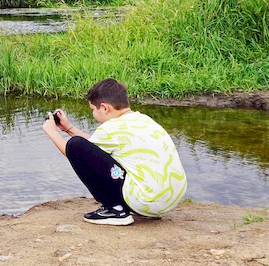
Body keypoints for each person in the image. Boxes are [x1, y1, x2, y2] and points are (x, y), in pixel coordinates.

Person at [42, 77, 187, 226]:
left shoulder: (111, 127)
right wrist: (68, 129)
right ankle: (131, 206)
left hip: (147, 201)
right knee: (80, 146)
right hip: (169, 200)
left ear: (104, 108)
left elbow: (75, 153)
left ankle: (115, 209)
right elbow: (94, 151)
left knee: (74, 145)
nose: (93, 114)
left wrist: (52, 132)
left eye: (93, 109)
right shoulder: (144, 120)